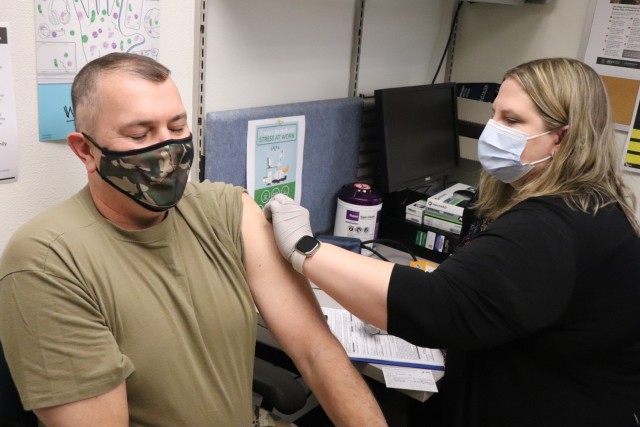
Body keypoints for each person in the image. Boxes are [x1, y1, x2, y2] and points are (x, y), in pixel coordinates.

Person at [0, 52, 387, 426]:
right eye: (140, 133)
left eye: (176, 127)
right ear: (85, 150)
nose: (168, 151)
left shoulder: (227, 210)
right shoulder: (46, 263)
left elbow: (316, 350)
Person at [264, 57, 640, 426]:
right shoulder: (595, 205)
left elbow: (438, 305)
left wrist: (304, 248)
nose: (492, 130)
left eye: (511, 120)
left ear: (561, 138)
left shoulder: (555, 226)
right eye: (494, 114)